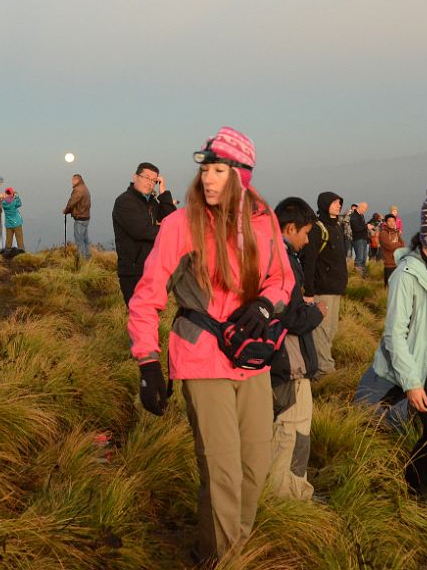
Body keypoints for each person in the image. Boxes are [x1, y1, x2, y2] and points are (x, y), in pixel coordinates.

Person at [128, 127, 294, 562]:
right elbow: (147, 296)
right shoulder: (179, 225)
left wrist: (262, 307)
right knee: (222, 473)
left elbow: (283, 279)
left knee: (253, 470)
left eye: (220, 170)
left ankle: (220, 553)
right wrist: (148, 363)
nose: (209, 179)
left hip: (251, 358)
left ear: (242, 175)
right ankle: (228, 560)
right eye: (206, 169)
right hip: (201, 358)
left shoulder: (264, 221)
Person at [355, 186, 427, 526]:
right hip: (426, 366)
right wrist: (412, 382)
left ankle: (410, 480)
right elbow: (394, 335)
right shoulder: (408, 272)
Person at [268, 196, 323, 502]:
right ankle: (288, 500)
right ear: (290, 228)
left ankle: (288, 492)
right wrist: (316, 312)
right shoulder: (283, 262)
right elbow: (290, 317)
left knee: (281, 434)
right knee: (292, 434)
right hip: (288, 366)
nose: (306, 240)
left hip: (273, 365)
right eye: (305, 233)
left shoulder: (263, 252)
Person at [112, 162, 177, 304]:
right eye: (146, 177)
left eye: (154, 180)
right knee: (139, 317)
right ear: (135, 177)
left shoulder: (152, 203)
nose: (149, 183)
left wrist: (163, 193)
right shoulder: (124, 201)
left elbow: (172, 221)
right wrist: (170, 232)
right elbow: (142, 231)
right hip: (134, 272)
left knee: (151, 317)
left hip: (153, 269)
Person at [300, 192, 347, 375]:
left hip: (336, 288)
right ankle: (324, 370)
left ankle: (325, 365)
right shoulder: (318, 229)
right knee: (322, 330)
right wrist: (309, 291)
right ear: (325, 204)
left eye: (339, 202)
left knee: (331, 330)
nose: (338, 205)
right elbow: (310, 261)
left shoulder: (337, 228)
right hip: (322, 289)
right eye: (335, 202)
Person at [63, 174, 92, 258]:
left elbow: (72, 202)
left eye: (73, 180)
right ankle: (87, 256)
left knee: (79, 239)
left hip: (80, 217)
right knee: (85, 239)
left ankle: (81, 259)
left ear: (76, 180)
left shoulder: (78, 190)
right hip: (86, 217)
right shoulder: (84, 188)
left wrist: (66, 210)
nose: (71, 182)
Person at [379, 213, 404, 287]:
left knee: (397, 287)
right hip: (389, 264)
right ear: (386, 223)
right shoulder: (383, 233)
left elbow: (403, 244)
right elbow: (389, 246)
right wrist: (398, 244)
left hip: (397, 263)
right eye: (389, 221)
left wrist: (396, 244)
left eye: (393, 221)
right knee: (389, 287)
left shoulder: (396, 232)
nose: (392, 223)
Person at [350, 202, 370, 276]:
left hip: (363, 239)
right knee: (360, 258)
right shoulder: (354, 216)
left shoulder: (360, 216)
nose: (365, 210)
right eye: (365, 209)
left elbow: (361, 227)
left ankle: (363, 275)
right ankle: (357, 275)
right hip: (358, 239)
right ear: (360, 207)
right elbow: (356, 228)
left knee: (364, 258)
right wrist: (366, 226)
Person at [2, 187, 25, 252]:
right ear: (12, 194)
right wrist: (17, 197)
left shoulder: (3, 203)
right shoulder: (14, 202)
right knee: (19, 240)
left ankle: (6, 253)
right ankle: (22, 253)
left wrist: (3, 197)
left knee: (8, 241)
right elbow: (19, 204)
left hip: (9, 224)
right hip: (17, 223)